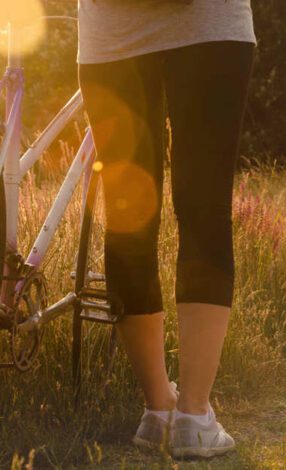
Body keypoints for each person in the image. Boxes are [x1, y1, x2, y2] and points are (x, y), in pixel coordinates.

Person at [77, 0, 255, 459]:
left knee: (127, 216)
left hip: (111, 31)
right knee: (204, 210)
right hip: (210, 26)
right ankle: (194, 417)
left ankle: (158, 409)